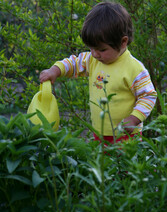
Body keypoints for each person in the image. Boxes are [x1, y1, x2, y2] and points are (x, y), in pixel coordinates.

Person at [39, 2, 157, 144]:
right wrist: (55, 70)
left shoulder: (134, 69)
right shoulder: (92, 60)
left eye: (101, 50)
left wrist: (134, 118)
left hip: (126, 135)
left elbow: (148, 95)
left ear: (123, 42)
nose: (94, 54)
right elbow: (74, 63)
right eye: (91, 48)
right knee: (102, 165)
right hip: (99, 133)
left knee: (125, 166)